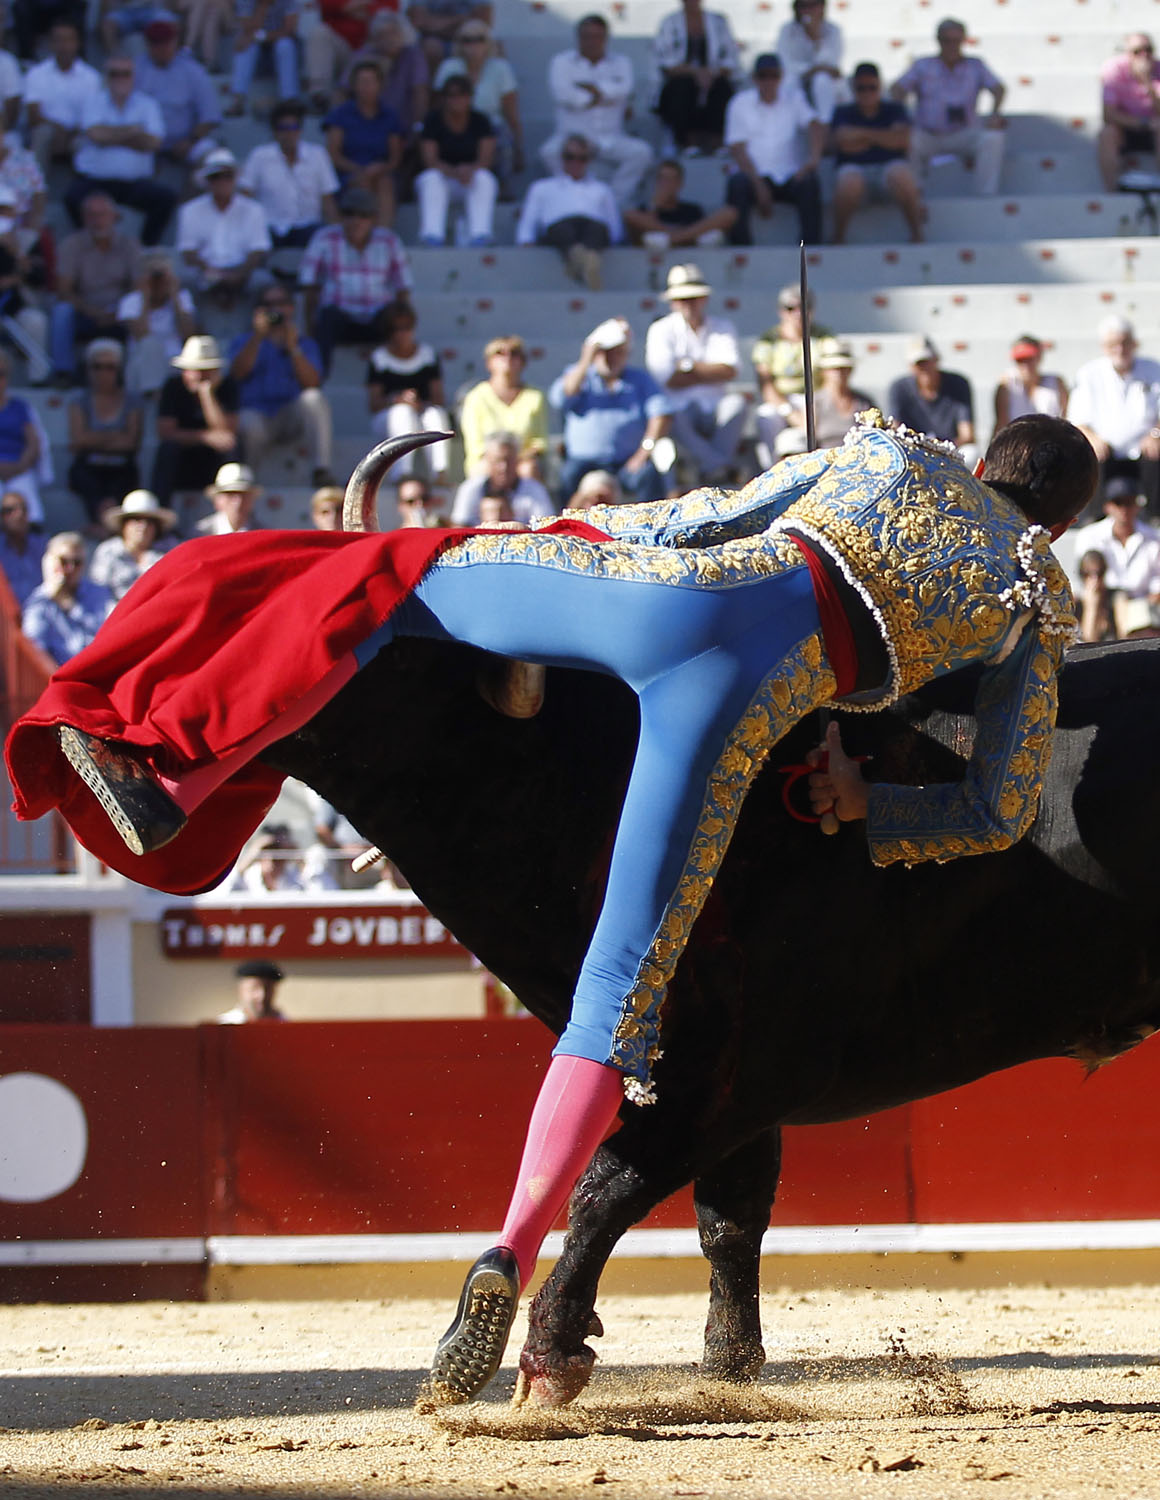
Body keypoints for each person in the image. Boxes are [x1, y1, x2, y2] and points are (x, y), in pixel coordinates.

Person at [6, 412, 1098, 1405]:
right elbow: (999, 807)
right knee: (615, 1001)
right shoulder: (1027, 598)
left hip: (658, 601)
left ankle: (173, 771)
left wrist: (562, 546)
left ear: (980, 457)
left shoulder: (891, 453)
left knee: (374, 582)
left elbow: (698, 516)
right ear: (1062, 521)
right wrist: (865, 803)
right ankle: (512, 1251)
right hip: (729, 712)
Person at [551, 318, 673, 506]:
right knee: (567, 476)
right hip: (583, 462)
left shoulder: (640, 380)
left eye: (618, 353)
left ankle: (652, 522)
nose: (610, 359)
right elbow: (562, 397)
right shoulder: (580, 376)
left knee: (649, 476)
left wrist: (643, 452)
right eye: (604, 352)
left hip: (626, 461)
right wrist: (585, 360)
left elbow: (661, 415)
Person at [644, 262, 746, 485]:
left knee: (737, 404)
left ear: (704, 299)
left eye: (693, 298)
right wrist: (710, 370)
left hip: (715, 406)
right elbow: (668, 379)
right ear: (672, 302)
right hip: (681, 408)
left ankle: (712, 467)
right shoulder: (660, 330)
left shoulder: (722, 326)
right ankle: (720, 468)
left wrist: (687, 366)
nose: (688, 304)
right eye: (682, 299)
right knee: (671, 414)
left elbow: (730, 371)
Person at [541, 14, 653, 207]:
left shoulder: (621, 62)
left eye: (597, 36)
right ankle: (573, 198)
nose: (592, 42)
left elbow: (625, 89)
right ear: (578, 37)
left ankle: (612, 202)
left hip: (611, 137)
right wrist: (605, 95)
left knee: (642, 153)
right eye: (587, 36)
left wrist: (587, 90)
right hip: (572, 137)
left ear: (606, 38)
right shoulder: (561, 62)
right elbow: (563, 95)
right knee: (549, 152)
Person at [228, 284, 333, 487]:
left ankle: (321, 470)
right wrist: (258, 337)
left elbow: (312, 382)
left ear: (291, 308)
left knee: (314, 398)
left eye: (281, 303)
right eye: (268, 304)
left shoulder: (304, 343)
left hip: (291, 415)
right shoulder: (243, 341)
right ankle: (247, 482)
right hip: (257, 415)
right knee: (248, 421)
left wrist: (293, 348)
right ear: (258, 310)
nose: (275, 309)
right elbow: (237, 374)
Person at [65, 56, 177, 247]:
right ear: (106, 77)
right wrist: (134, 130)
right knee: (72, 197)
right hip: (96, 181)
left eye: (126, 74)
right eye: (114, 74)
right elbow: (96, 135)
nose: (120, 78)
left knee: (166, 198)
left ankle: (144, 250)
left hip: (134, 183)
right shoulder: (92, 102)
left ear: (134, 77)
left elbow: (153, 143)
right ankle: (89, 248)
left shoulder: (148, 105)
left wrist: (110, 137)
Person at [299, 187, 414, 374]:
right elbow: (309, 285)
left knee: (395, 315)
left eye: (363, 215)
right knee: (326, 316)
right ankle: (316, 378)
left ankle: (393, 376)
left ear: (374, 219)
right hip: (339, 318)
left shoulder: (389, 241)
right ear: (341, 216)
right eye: (349, 214)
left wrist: (405, 326)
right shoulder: (324, 238)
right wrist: (309, 327)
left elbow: (403, 287)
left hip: (377, 318)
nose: (356, 221)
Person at [891, 17, 1006, 197]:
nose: (952, 46)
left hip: (964, 133)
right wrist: (901, 116)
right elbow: (897, 88)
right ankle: (913, 195)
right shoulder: (923, 65)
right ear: (938, 40)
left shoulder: (976, 65)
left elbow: (998, 88)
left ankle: (985, 196)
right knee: (905, 139)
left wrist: (995, 114)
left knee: (993, 139)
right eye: (947, 41)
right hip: (928, 134)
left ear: (963, 41)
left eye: (956, 41)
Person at [724, 53, 824, 247]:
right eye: (763, 76)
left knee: (810, 183)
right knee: (737, 185)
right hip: (753, 175)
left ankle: (810, 249)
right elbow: (737, 148)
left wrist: (813, 159)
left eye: (774, 76)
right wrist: (758, 185)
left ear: (781, 77)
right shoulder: (739, 103)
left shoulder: (794, 98)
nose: (769, 81)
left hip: (790, 175)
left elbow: (814, 125)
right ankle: (741, 249)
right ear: (754, 78)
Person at [1068, 315, 1160, 511]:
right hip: (1105, 451)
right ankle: (1095, 517)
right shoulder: (1089, 374)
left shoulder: (1154, 370)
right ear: (1104, 347)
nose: (1120, 349)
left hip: (1145, 449)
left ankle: (1155, 516)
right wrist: (1093, 439)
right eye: (1113, 345)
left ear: (1134, 343)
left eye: (1124, 343)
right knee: (1089, 456)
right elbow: (1077, 420)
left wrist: (1155, 435)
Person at [51, 191, 141, 386]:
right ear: (83, 218)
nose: (97, 220)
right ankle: (63, 372)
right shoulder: (71, 245)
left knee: (140, 308)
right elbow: (64, 289)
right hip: (84, 310)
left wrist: (117, 311)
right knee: (61, 311)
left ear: (114, 217)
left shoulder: (130, 246)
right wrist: (92, 311)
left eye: (102, 214)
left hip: (120, 312)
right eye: (91, 215)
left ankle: (136, 376)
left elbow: (138, 287)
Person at [830, 62, 922, 245]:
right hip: (855, 173)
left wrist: (861, 135)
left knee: (901, 174)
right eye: (861, 88)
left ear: (880, 86)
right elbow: (842, 143)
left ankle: (917, 235)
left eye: (872, 87)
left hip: (888, 176)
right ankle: (838, 238)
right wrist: (884, 137)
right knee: (849, 181)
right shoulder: (842, 111)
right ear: (853, 88)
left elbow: (901, 140)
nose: (867, 93)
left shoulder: (895, 109)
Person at [515, 134, 621, 290]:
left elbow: (613, 224)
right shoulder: (542, 187)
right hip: (559, 231)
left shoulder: (602, 189)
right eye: (569, 157)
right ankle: (587, 260)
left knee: (597, 229)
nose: (575, 163)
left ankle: (582, 259)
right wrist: (525, 240)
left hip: (592, 231)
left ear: (589, 160)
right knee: (562, 229)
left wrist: (614, 241)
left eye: (582, 158)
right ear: (562, 158)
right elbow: (529, 218)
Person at [177, 147, 273, 307]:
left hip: (243, 271)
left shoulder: (254, 210)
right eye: (216, 177)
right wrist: (211, 272)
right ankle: (190, 322)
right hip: (205, 270)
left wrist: (239, 274)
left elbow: (258, 250)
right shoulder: (190, 210)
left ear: (235, 178)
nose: (222, 182)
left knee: (265, 283)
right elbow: (188, 252)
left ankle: (264, 323)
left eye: (227, 176)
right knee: (185, 280)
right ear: (207, 181)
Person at [366, 301, 450, 484]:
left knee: (435, 414)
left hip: (422, 412)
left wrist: (419, 404)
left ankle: (440, 472)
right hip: (388, 418)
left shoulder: (428, 355)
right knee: (402, 413)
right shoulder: (379, 358)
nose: (402, 334)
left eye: (407, 327)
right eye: (396, 329)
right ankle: (403, 474)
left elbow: (438, 398)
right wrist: (398, 400)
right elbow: (374, 404)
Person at [751, 283, 833, 467]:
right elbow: (765, 383)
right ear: (781, 311)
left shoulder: (824, 337)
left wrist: (816, 404)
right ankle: (771, 469)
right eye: (790, 308)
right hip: (781, 400)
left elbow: (832, 374)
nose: (798, 313)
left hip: (816, 398)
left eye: (804, 307)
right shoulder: (769, 340)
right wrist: (788, 411)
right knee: (766, 417)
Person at [238, 100, 340, 249]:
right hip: (270, 227)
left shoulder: (318, 155)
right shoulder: (259, 156)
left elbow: (327, 200)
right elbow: (245, 196)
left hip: (308, 227)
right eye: (283, 128)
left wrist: (338, 233)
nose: (289, 133)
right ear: (275, 132)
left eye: (293, 127)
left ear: (300, 130)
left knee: (323, 238)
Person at [152, 335, 240, 505]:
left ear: (215, 371)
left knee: (232, 449)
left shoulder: (227, 386)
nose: (198, 375)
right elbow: (166, 432)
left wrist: (207, 393)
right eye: (193, 369)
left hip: (212, 461)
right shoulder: (173, 387)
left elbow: (227, 434)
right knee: (168, 449)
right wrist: (205, 437)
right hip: (183, 461)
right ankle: (161, 507)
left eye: (204, 369)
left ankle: (229, 503)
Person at [66, 339, 145, 528]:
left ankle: (106, 526)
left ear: (119, 370)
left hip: (122, 465)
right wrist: (116, 437)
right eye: (97, 367)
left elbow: (131, 442)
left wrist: (93, 438)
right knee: (85, 479)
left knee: (124, 480)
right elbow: (79, 439)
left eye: (109, 367)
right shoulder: (78, 399)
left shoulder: (132, 400)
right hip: (88, 465)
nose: (103, 373)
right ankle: (103, 525)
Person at [433, 22, 523, 182]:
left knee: (501, 138)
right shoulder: (449, 67)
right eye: (467, 40)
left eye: (479, 39)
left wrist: (519, 147)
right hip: (455, 125)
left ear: (488, 43)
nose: (473, 45)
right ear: (459, 43)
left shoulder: (501, 68)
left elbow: (511, 113)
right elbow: (439, 105)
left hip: (491, 126)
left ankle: (501, 183)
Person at [415, 74, 498, 247]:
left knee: (485, 178)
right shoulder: (433, 120)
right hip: (444, 179)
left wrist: (469, 169)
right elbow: (429, 160)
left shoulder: (481, 121)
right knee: (431, 178)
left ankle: (480, 234)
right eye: (451, 96)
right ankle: (432, 235)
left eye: (462, 95)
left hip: (470, 180)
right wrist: (453, 172)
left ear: (470, 98)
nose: (456, 100)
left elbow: (486, 159)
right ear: (444, 99)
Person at [135, 10, 222, 172]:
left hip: (185, 141)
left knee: (212, 157)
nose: (161, 48)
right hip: (143, 142)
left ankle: (192, 189)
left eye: (165, 43)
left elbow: (210, 117)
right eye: (156, 43)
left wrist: (190, 140)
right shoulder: (136, 69)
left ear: (174, 41)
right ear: (147, 44)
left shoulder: (193, 71)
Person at [650, 0, 739, 154]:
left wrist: (710, 73)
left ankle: (717, 141)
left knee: (722, 88)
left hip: (713, 76)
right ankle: (687, 142)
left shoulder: (718, 22)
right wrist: (696, 73)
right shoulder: (669, 22)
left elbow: (730, 60)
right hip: (680, 77)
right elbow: (666, 64)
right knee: (681, 88)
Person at [324, 59, 403, 226]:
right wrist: (359, 169)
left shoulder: (390, 116)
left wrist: (380, 168)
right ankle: (360, 232)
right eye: (362, 82)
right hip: (348, 173)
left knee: (385, 183)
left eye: (371, 82)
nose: (366, 87)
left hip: (381, 173)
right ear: (354, 86)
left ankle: (383, 233)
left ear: (380, 85)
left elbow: (395, 159)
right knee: (362, 180)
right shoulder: (340, 114)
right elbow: (333, 154)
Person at [458, 335, 548, 477]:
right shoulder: (475, 397)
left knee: (528, 470)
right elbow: (475, 445)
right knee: (482, 471)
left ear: (523, 362)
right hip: (486, 463)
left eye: (514, 353)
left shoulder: (535, 396)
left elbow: (539, 442)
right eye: (499, 353)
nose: (508, 358)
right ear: (489, 362)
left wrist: (513, 462)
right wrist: (499, 462)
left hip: (522, 464)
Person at [23, 19, 101, 177]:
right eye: (58, 40)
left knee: (88, 140)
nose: (64, 45)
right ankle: (35, 185)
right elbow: (33, 116)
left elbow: (93, 115)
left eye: (69, 40)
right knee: (41, 133)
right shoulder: (36, 74)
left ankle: (85, 188)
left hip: (78, 132)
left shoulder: (92, 77)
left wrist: (71, 133)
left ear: (78, 43)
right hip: (48, 130)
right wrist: (60, 131)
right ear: (50, 44)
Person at [21, 531, 110, 666]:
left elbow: (104, 633)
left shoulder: (97, 593)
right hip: (57, 673)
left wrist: (70, 605)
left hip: (96, 667)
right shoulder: (39, 601)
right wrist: (54, 591)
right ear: (49, 562)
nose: (70, 568)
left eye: (77, 563)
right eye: (64, 561)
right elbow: (34, 647)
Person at [116, 250, 198, 396]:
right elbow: (142, 335)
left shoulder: (182, 298)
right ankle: (153, 396)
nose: (158, 280)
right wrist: (146, 297)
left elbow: (188, 334)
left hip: (175, 363)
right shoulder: (131, 301)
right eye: (154, 275)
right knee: (150, 345)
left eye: (162, 275)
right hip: (141, 366)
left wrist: (174, 296)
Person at [1072, 473, 1160, 603]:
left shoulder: (1154, 537)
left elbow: (1157, 582)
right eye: (1118, 503)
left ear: (1137, 506)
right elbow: (1083, 577)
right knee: (1093, 596)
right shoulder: (1089, 536)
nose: (1124, 509)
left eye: (1129, 503)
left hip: (1140, 604)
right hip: (1100, 601)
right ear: (1107, 506)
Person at [776, 337, 873, 454]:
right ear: (824, 371)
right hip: (824, 458)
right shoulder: (815, 402)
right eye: (834, 369)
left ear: (850, 370)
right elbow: (807, 433)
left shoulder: (863, 402)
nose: (839, 373)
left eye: (843, 369)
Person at [621, 156, 737, 249]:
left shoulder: (692, 210)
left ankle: (676, 238)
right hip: (656, 256)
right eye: (663, 179)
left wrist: (673, 238)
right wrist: (654, 206)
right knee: (631, 216)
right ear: (656, 182)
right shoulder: (646, 209)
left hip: (691, 254)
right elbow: (641, 230)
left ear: (680, 183)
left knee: (729, 214)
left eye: (672, 179)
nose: (666, 184)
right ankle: (677, 237)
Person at [344, 12, 430, 135]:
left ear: (402, 34)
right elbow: (343, 89)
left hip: (403, 127)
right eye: (382, 35)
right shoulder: (363, 55)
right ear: (375, 39)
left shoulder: (414, 55)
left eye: (393, 33)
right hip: (364, 127)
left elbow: (420, 91)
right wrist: (340, 123)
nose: (389, 39)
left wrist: (419, 126)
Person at [887, 334, 975, 455]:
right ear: (911, 367)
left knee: (971, 453)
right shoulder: (899, 388)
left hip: (951, 450)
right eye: (919, 364)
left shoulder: (958, 384)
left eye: (927, 361)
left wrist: (941, 449)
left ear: (937, 360)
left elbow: (967, 435)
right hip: (913, 450)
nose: (924, 368)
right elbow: (894, 431)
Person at [89, 488, 178, 601]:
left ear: (157, 527)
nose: (143, 527)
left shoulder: (168, 553)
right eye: (136, 520)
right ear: (124, 524)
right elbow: (98, 591)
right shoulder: (108, 551)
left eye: (149, 521)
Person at [1098, 34, 1160, 192]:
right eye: (1137, 51)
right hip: (1127, 129)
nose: (1144, 55)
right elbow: (1108, 115)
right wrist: (1143, 123)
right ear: (1127, 53)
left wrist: (1147, 82)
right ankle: (1112, 193)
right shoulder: (1114, 70)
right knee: (1107, 133)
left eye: (1148, 50)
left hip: (1155, 130)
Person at [450, 431, 553, 524]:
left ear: (518, 460)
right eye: (498, 460)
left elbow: (547, 527)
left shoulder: (535, 490)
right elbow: (459, 526)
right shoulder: (471, 489)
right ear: (487, 459)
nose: (503, 467)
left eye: (509, 460)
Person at [226, 0, 301, 117]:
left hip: (278, 43)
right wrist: (263, 5)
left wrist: (261, 37)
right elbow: (247, 29)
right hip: (257, 47)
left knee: (285, 45)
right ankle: (238, 100)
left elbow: (289, 30)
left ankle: (289, 99)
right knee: (245, 47)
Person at [776, 0, 846, 120]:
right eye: (804, 6)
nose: (808, 10)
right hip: (796, 76)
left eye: (813, 5)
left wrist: (816, 37)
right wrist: (811, 70)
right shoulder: (787, 30)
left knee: (822, 80)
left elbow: (832, 62)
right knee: (789, 82)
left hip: (823, 77)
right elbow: (785, 62)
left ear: (822, 6)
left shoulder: (833, 30)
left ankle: (825, 121)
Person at [0, 353, 43, 525]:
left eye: (1, 374)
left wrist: (19, 467)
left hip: (18, 470)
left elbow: (33, 443)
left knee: (26, 504)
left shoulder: (21, 407)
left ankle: (32, 538)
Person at [992, 335, 1067, 433]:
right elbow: (1001, 423)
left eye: (1029, 359)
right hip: (1017, 438)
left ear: (1039, 357)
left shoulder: (1056, 383)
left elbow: (1066, 416)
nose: (1025, 365)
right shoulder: (1008, 384)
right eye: (1020, 360)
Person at [406, 0, 494, 77]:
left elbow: (485, 19)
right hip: (434, 40)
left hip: (468, 37)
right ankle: (435, 89)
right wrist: (458, 21)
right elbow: (418, 21)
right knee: (431, 48)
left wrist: (440, 24)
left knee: (479, 45)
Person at [0, 490, 46, 607]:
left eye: (23, 509)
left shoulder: (43, 546)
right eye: (9, 510)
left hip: (43, 610)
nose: (18, 514)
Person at [198, 462, 264, 535]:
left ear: (253, 499)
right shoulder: (201, 532)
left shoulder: (263, 534)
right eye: (230, 494)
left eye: (243, 495)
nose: (238, 501)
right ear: (217, 500)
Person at [218, 958, 288, 1022]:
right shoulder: (225, 1025)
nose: (262, 996)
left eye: (268, 988)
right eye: (254, 988)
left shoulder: (284, 1023)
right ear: (241, 990)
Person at [1076, 548, 1117, 643]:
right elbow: (1089, 641)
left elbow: (1124, 634)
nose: (1095, 580)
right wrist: (1091, 607)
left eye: (1099, 573)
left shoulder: (1115, 598)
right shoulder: (1076, 605)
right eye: (1087, 574)